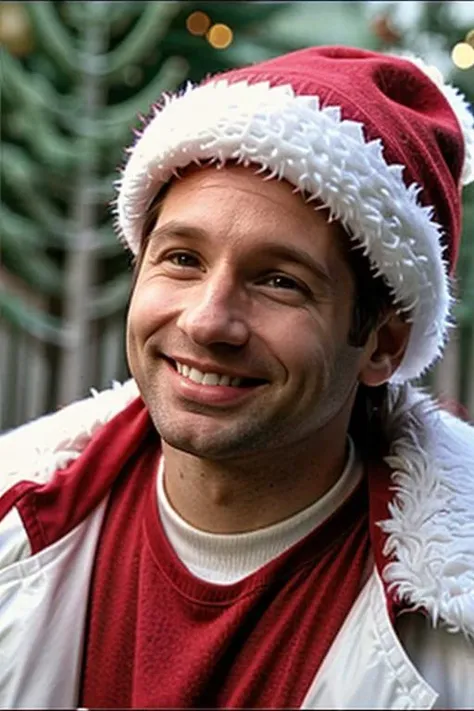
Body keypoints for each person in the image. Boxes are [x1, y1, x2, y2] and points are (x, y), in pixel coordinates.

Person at [1, 45, 473, 710]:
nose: (207, 321)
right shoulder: (14, 517)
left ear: (383, 345)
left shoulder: (454, 639)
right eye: (183, 259)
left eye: (279, 280)